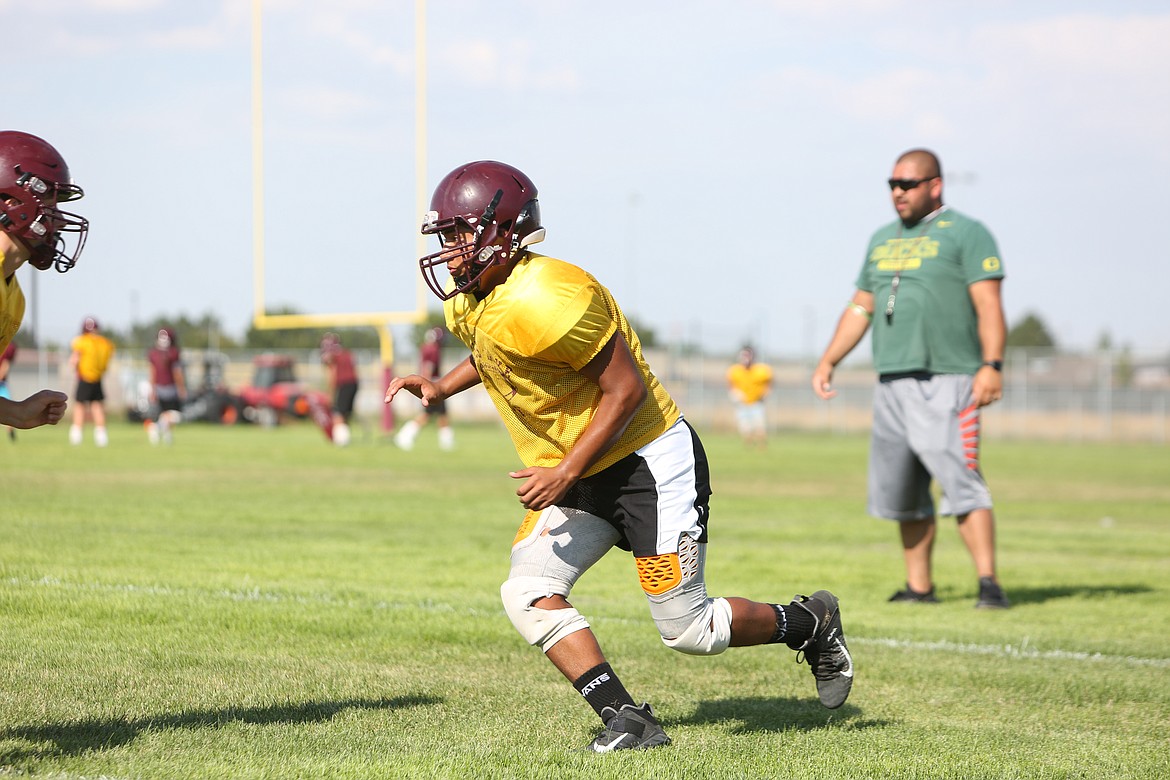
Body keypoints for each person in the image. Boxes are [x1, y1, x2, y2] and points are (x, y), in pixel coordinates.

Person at [387, 161, 853, 752]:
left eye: (460, 235)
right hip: (580, 468)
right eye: (445, 237)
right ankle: (627, 718)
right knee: (527, 592)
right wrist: (439, 387)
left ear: (504, 234)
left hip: (646, 463)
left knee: (690, 630)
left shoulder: (549, 295)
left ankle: (809, 623)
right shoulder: (475, 298)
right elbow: (498, 352)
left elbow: (625, 390)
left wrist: (566, 470)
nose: (450, 250)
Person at [811, 148, 1010, 610]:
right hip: (892, 381)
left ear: (934, 185)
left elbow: (989, 305)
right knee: (903, 492)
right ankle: (920, 587)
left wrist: (992, 364)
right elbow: (860, 306)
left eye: (907, 184)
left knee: (961, 481)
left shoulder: (968, 233)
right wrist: (829, 360)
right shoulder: (882, 238)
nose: (897, 193)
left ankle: (989, 584)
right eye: (892, 185)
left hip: (949, 378)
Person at [0, 130, 87, 434]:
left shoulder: (13, 296)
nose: (60, 220)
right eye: (51, 204)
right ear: (11, 199)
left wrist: (16, 414)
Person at [393, 326, 455, 452]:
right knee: (428, 414)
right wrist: (428, 385)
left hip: (433, 382)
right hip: (433, 383)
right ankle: (404, 436)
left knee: (441, 414)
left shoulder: (427, 348)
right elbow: (428, 368)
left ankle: (447, 442)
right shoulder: (433, 349)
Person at [68, 316, 115, 447]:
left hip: (84, 378)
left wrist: (73, 366)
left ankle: (76, 435)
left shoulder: (81, 342)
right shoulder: (105, 343)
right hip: (98, 378)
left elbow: (74, 360)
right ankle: (101, 436)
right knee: (97, 406)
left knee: (80, 406)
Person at [726, 345, 773, 448]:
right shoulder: (735, 371)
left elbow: (769, 383)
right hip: (742, 403)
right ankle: (749, 446)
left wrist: (765, 393)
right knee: (745, 428)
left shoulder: (761, 370)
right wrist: (735, 394)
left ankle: (762, 446)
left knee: (760, 426)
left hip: (756, 402)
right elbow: (731, 385)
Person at [145, 327, 186, 445]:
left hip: (157, 387)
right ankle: (158, 428)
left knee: (164, 414)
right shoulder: (173, 353)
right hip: (170, 388)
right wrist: (182, 388)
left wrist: (152, 389)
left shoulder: (154, 353)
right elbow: (177, 373)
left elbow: (151, 374)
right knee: (175, 415)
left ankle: (165, 434)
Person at [320, 332, 358, 446]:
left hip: (344, 384)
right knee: (345, 413)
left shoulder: (332, 356)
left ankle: (341, 441)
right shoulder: (347, 353)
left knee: (338, 412)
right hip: (354, 384)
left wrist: (330, 393)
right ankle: (344, 438)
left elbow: (333, 375)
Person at [0, 341, 17, 440]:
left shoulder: (8, 346)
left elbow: (5, 365)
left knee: (8, 409)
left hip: (1, 384)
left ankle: (10, 432)